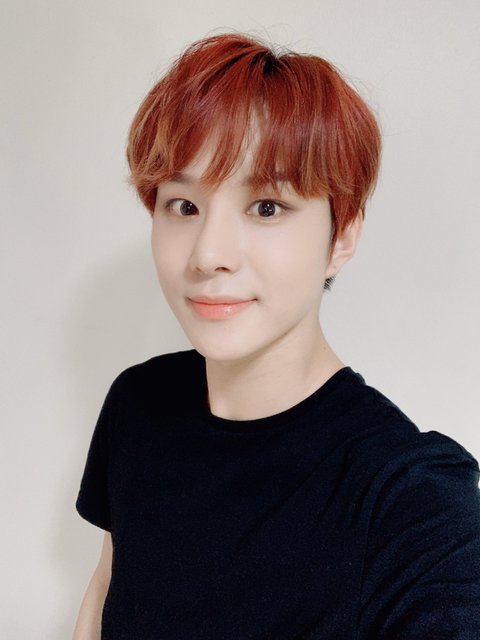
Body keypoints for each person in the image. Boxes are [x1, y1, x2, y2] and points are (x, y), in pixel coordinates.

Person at [72, 33, 480, 639]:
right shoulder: (138, 402)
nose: (208, 254)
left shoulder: (409, 498)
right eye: (183, 205)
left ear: (342, 236)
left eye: (266, 206)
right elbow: (107, 585)